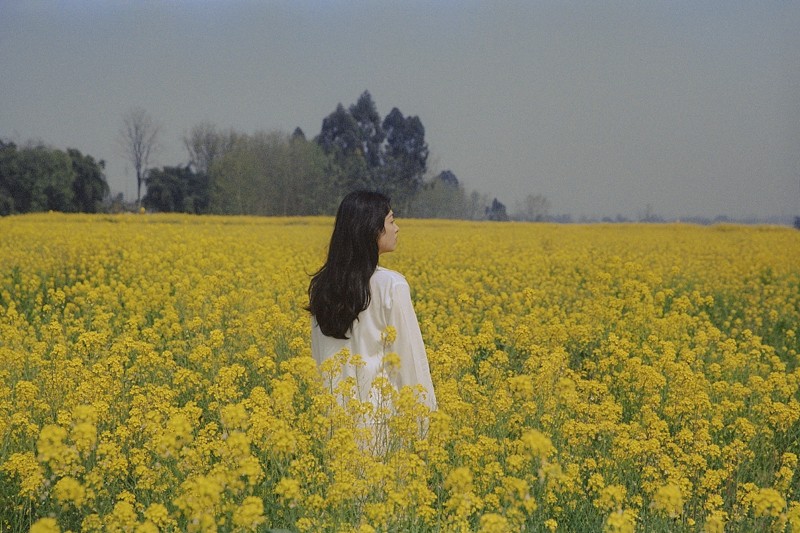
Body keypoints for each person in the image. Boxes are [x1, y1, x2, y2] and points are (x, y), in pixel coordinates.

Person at [307, 190, 437, 416]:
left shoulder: (323, 286)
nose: (397, 228)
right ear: (372, 228)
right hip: (381, 424)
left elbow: (319, 360)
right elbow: (410, 362)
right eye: (391, 221)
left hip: (333, 422)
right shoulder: (392, 285)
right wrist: (426, 421)